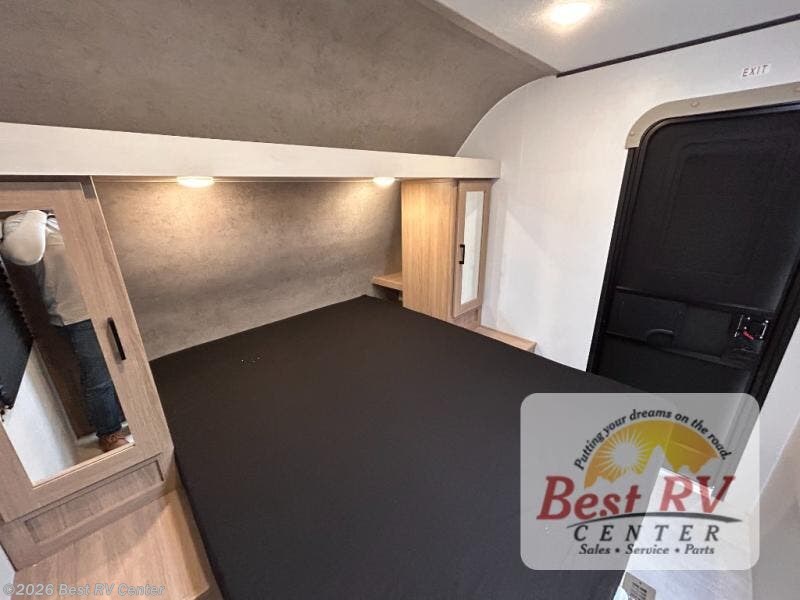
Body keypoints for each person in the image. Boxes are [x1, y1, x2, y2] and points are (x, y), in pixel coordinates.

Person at [0, 210, 127, 452]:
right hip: (76, 314)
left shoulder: (71, 214)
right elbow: (24, 254)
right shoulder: (22, 222)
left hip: (111, 304)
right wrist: (37, 211)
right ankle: (110, 433)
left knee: (126, 369)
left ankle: (136, 417)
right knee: (99, 378)